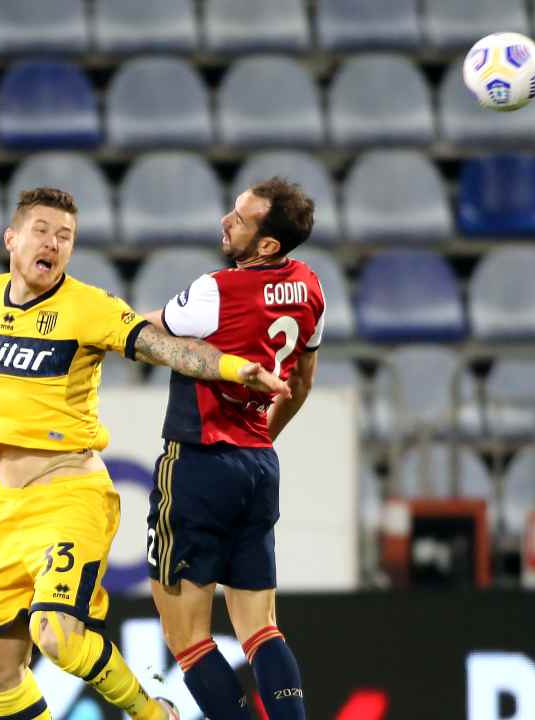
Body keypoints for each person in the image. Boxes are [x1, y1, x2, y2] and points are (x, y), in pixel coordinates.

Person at [0, 187, 290, 720]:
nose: (54, 243)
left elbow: (166, 348)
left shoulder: (87, 308)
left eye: (66, 236)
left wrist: (236, 369)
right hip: (4, 507)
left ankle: (152, 713)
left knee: (57, 637)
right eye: (43, 231)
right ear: (12, 238)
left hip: (69, 495)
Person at [140, 177, 324, 720]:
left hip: (197, 462)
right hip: (259, 466)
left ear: (267, 245)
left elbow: (140, 334)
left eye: (240, 219)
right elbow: (304, 381)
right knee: (260, 627)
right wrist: (262, 433)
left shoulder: (217, 291)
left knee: (188, 638)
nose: (226, 221)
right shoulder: (311, 286)